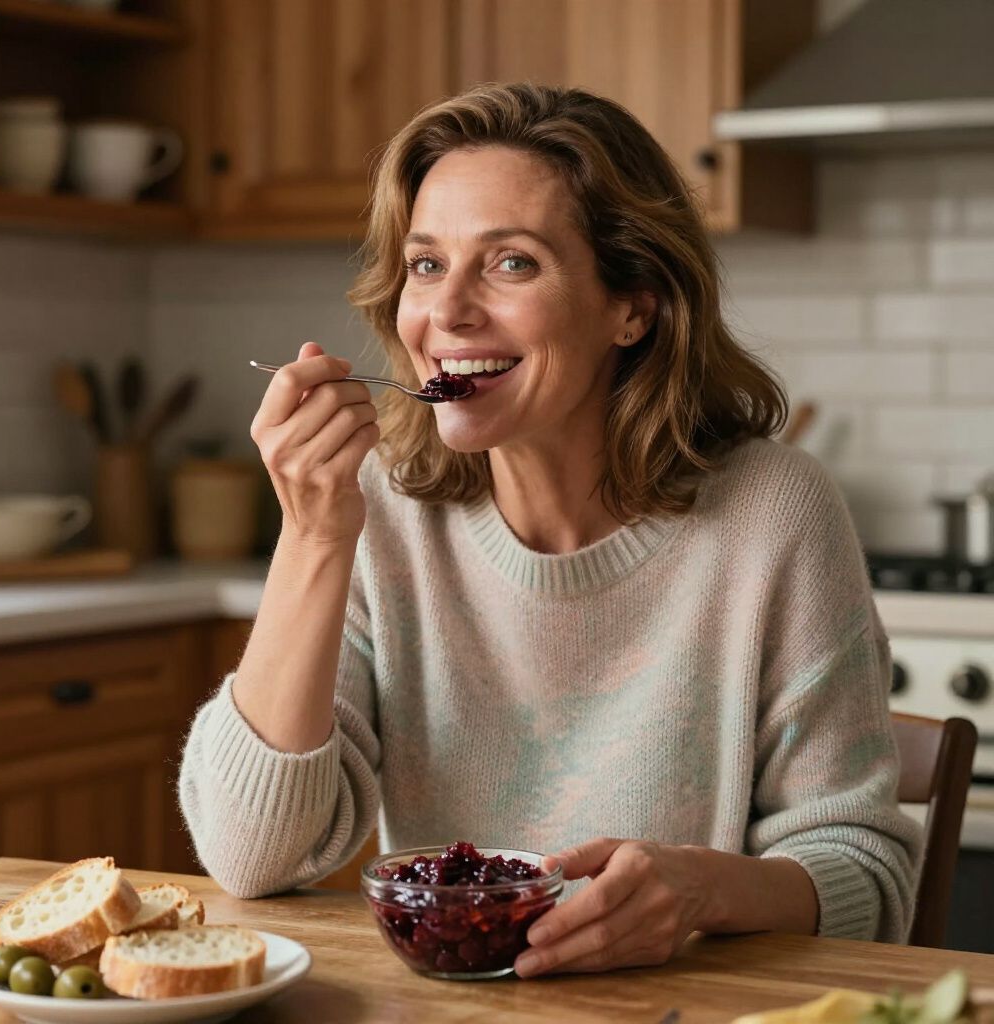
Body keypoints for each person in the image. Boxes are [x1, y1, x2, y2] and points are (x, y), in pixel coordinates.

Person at [179, 83, 922, 977]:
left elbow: (868, 879)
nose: (446, 313)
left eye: (512, 263)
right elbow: (251, 859)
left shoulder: (774, 514)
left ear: (632, 307)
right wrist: (311, 538)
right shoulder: (384, 506)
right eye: (425, 264)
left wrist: (703, 890)